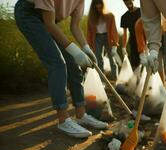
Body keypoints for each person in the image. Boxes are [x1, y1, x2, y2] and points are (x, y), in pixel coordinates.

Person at [14, 0, 108, 138]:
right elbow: (49, 23)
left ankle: (81, 115)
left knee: (73, 66)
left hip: (50, 21)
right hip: (29, 14)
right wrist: (75, 51)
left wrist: (85, 47)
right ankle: (63, 120)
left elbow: (75, 26)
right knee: (57, 63)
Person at [87, 0, 119, 80]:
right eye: (96, 5)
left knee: (112, 57)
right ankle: (101, 79)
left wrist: (115, 44)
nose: (98, 7)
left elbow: (114, 30)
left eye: (99, 4)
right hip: (97, 38)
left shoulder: (110, 16)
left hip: (107, 37)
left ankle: (114, 78)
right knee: (98, 58)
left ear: (103, 4)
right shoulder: (91, 18)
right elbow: (89, 33)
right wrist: (89, 45)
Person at [134, 18, 166, 84]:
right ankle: (162, 87)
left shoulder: (161, 17)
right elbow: (141, 41)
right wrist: (142, 54)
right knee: (158, 66)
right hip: (154, 45)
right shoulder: (139, 24)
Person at [121, 0, 141, 70]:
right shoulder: (124, 17)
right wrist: (123, 47)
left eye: (129, 1)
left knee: (145, 63)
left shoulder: (141, 11)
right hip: (133, 42)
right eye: (125, 2)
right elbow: (125, 33)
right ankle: (137, 79)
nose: (128, 3)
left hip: (144, 40)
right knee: (134, 63)